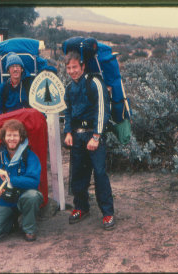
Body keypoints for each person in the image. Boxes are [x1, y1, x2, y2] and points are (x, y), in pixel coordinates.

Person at [63, 50, 115, 230]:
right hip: (77, 135)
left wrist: (96, 136)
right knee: (78, 173)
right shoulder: (69, 88)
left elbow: (102, 110)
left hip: (94, 134)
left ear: (83, 66)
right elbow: (68, 112)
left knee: (99, 174)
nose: (72, 71)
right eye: (68, 68)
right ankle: (81, 207)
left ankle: (107, 213)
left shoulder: (94, 83)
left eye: (75, 67)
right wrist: (68, 132)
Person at [0, 119, 43, 241]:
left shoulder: (30, 156)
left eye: (15, 135)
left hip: (24, 198)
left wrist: (10, 179)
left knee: (33, 196)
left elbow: (34, 181)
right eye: (9, 135)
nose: (12, 138)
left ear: (21, 137)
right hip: (5, 202)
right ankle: (12, 223)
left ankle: (29, 229)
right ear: (4, 137)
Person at [0, 52, 31, 117]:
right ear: (8, 70)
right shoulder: (2, 88)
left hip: (24, 120)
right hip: (8, 122)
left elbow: (35, 107)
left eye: (17, 66)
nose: (15, 69)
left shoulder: (28, 86)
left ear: (22, 69)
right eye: (12, 66)